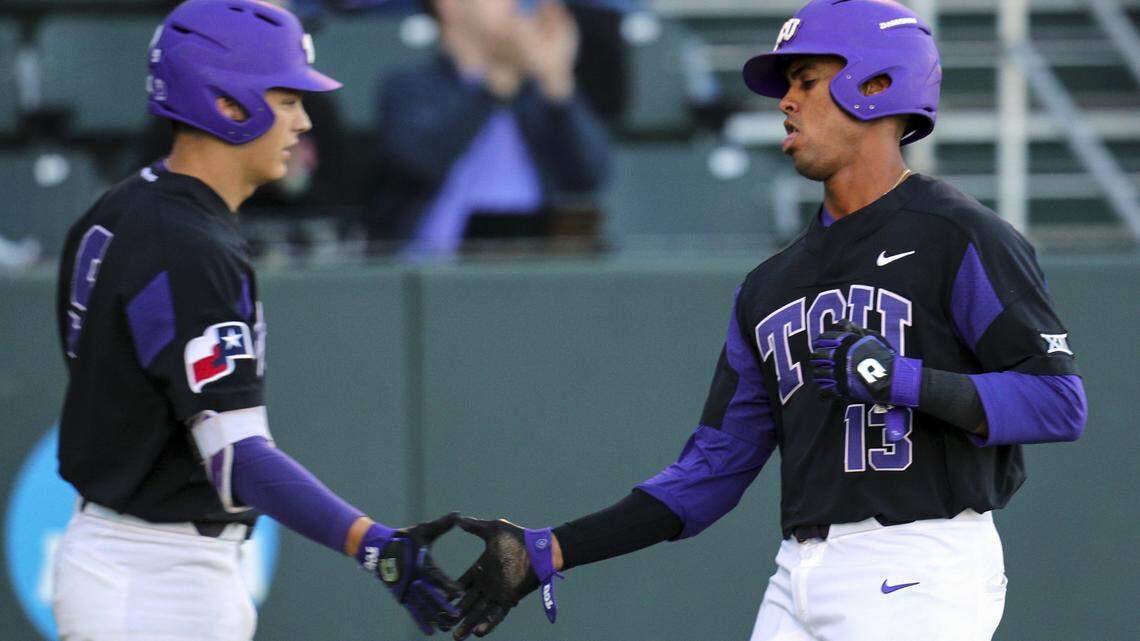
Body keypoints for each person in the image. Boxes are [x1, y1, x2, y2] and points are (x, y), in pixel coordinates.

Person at [443, 2, 1087, 640]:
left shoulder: (960, 235)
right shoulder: (770, 285)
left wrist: (905, 380)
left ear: (879, 84)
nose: (786, 101)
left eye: (806, 81)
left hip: (920, 561)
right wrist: (550, 551)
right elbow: (711, 473)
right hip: (799, 572)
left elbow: (1059, 403)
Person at [52, 2, 458, 640]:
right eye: (288, 98)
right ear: (228, 105)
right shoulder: (187, 244)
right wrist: (370, 543)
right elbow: (236, 456)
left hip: (132, 556)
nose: (303, 121)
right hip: (155, 574)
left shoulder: (124, 206)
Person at [371, 0, 610, 255]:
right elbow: (419, 161)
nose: (513, 4)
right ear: (449, 5)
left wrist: (557, 80)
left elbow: (590, 174)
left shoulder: (534, 95)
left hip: (535, 266)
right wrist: (495, 87)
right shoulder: (411, 87)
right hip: (434, 269)